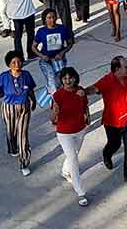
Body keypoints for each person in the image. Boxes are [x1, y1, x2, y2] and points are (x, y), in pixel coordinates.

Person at [84, 56, 127, 186]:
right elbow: (94, 89)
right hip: (112, 122)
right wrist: (81, 91)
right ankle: (107, 154)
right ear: (117, 69)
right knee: (114, 144)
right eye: (126, 67)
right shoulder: (107, 81)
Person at [0, 50, 37, 176]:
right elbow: (0, 94)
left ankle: (24, 162)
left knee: (23, 135)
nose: (17, 64)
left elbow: (30, 89)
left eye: (19, 61)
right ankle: (12, 148)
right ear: (9, 64)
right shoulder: (3, 77)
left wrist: (34, 101)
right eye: (13, 62)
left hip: (24, 107)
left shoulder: (26, 75)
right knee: (11, 131)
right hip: (8, 107)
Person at [51, 67, 90, 206]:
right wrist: (55, 112)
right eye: (65, 78)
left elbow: (86, 106)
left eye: (70, 78)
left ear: (75, 78)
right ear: (61, 80)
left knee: (74, 154)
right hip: (64, 132)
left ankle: (65, 171)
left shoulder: (81, 91)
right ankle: (80, 192)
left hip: (80, 129)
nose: (68, 81)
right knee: (73, 158)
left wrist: (88, 118)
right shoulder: (57, 96)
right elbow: (52, 119)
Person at [32, 8, 73, 105]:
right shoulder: (41, 31)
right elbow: (33, 47)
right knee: (52, 82)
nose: (52, 20)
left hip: (59, 60)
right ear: (45, 19)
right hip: (46, 61)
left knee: (61, 82)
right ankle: (56, 104)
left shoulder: (62, 29)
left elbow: (70, 43)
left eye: (54, 17)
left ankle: (56, 99)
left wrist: (62, 52)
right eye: (49, 18)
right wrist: (42, 56)